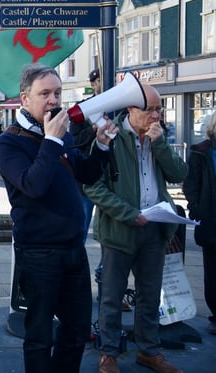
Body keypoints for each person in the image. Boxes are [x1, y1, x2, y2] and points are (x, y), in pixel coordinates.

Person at [0, 63, 116, 373]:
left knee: (76, 333)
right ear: (25, 99)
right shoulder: (9, 142)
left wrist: (101, 145)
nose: (53, 100)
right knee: (39, 335)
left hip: (73, 250)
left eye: (58, 92)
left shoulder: (59, 134)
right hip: (39, 252)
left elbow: (86, 173)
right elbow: (33, 185)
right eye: (44, 93)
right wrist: (50, 141)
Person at [84, 84, 187, 373]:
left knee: (150, 294)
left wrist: (161, 145)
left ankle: (149, 351)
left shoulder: (158, 138)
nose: (156, 116)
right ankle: (108, 353)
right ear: (131, 108)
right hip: (119, 230)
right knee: (112, 296)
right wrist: (128, 214)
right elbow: (93, 186)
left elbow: (179, 174)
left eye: (159, 108)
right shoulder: (110, 137)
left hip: (154, 229)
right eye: (149, 109)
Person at [182, 113, 216, 336]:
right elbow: (190, 183)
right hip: (211, 219)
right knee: (213, 271)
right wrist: (195, 207)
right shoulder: (200, 151)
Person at [69, 69, 103, 241]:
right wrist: (93, 129)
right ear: (92, 84)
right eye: (99, 80)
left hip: (111, 173)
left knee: (111, 227)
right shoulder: (82, 110)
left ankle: (105, 264)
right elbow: (75, 141)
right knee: (82, 221)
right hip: (87, 174)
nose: (103, 83)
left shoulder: (119, 108)